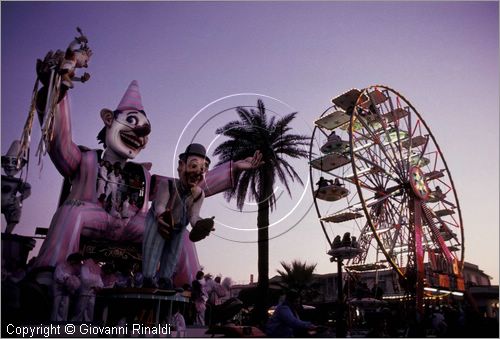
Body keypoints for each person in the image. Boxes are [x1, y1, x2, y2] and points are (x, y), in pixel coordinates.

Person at [142, 143, 214, 287]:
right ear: (181, 165)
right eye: (194, 165)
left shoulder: (199, 194)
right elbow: (160, 206)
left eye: (203, 168)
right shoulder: (167, 184)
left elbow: (194, 216)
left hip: (180, 225)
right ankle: (148, 278)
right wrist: (162, 216)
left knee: (173, 252)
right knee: (153, 247)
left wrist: (200, 225)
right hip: (159, 222)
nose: (198, 172)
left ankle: (165, 278)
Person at [1, 140, 31, 234]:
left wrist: (20, 198)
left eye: (14, 162)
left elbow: (27, 190)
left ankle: (7, 234)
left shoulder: (18, 182)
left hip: (9, 204)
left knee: (16, 212)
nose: (10, 165)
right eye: (7, 161)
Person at [51, 252, 83, 321]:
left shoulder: (73, 268)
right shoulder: (61, 266)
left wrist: (72, 283)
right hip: (58, 290)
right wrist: (66, 279)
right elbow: (57, 277)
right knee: (56, 308)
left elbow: (75, 276)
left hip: (66, 291)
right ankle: (53, 324)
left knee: (64, 309)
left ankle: (62, 324)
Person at [72, 255, 103, 322]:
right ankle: (76, 323)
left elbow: (99, 280)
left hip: (93, 292)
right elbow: (85, 278)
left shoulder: (97, 267)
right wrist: (94, 285)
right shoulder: (85, 266)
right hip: (85, 290)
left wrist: (99, 286)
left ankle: (88, 324)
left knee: (90, 309)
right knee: (80, 308)